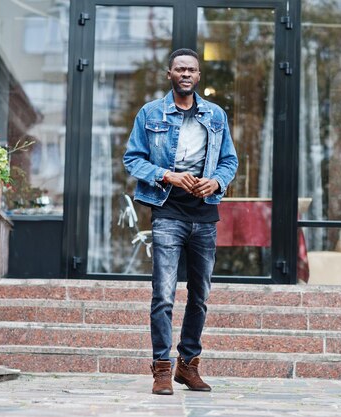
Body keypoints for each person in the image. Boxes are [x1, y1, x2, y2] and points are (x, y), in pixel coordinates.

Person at [123, 48, 238, 395]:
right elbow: (133, 159)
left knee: (200, 295)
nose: (186, 74)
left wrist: (216, 182)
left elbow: (229, 161)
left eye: (191, 69)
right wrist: (167, 176)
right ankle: (161, 367)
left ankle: (188, 366)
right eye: (179, 69)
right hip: (168, 212)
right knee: (163, 295)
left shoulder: (216, 115)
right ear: (169, 74)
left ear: (198, 76)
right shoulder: (150, 113)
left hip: (204, 214)